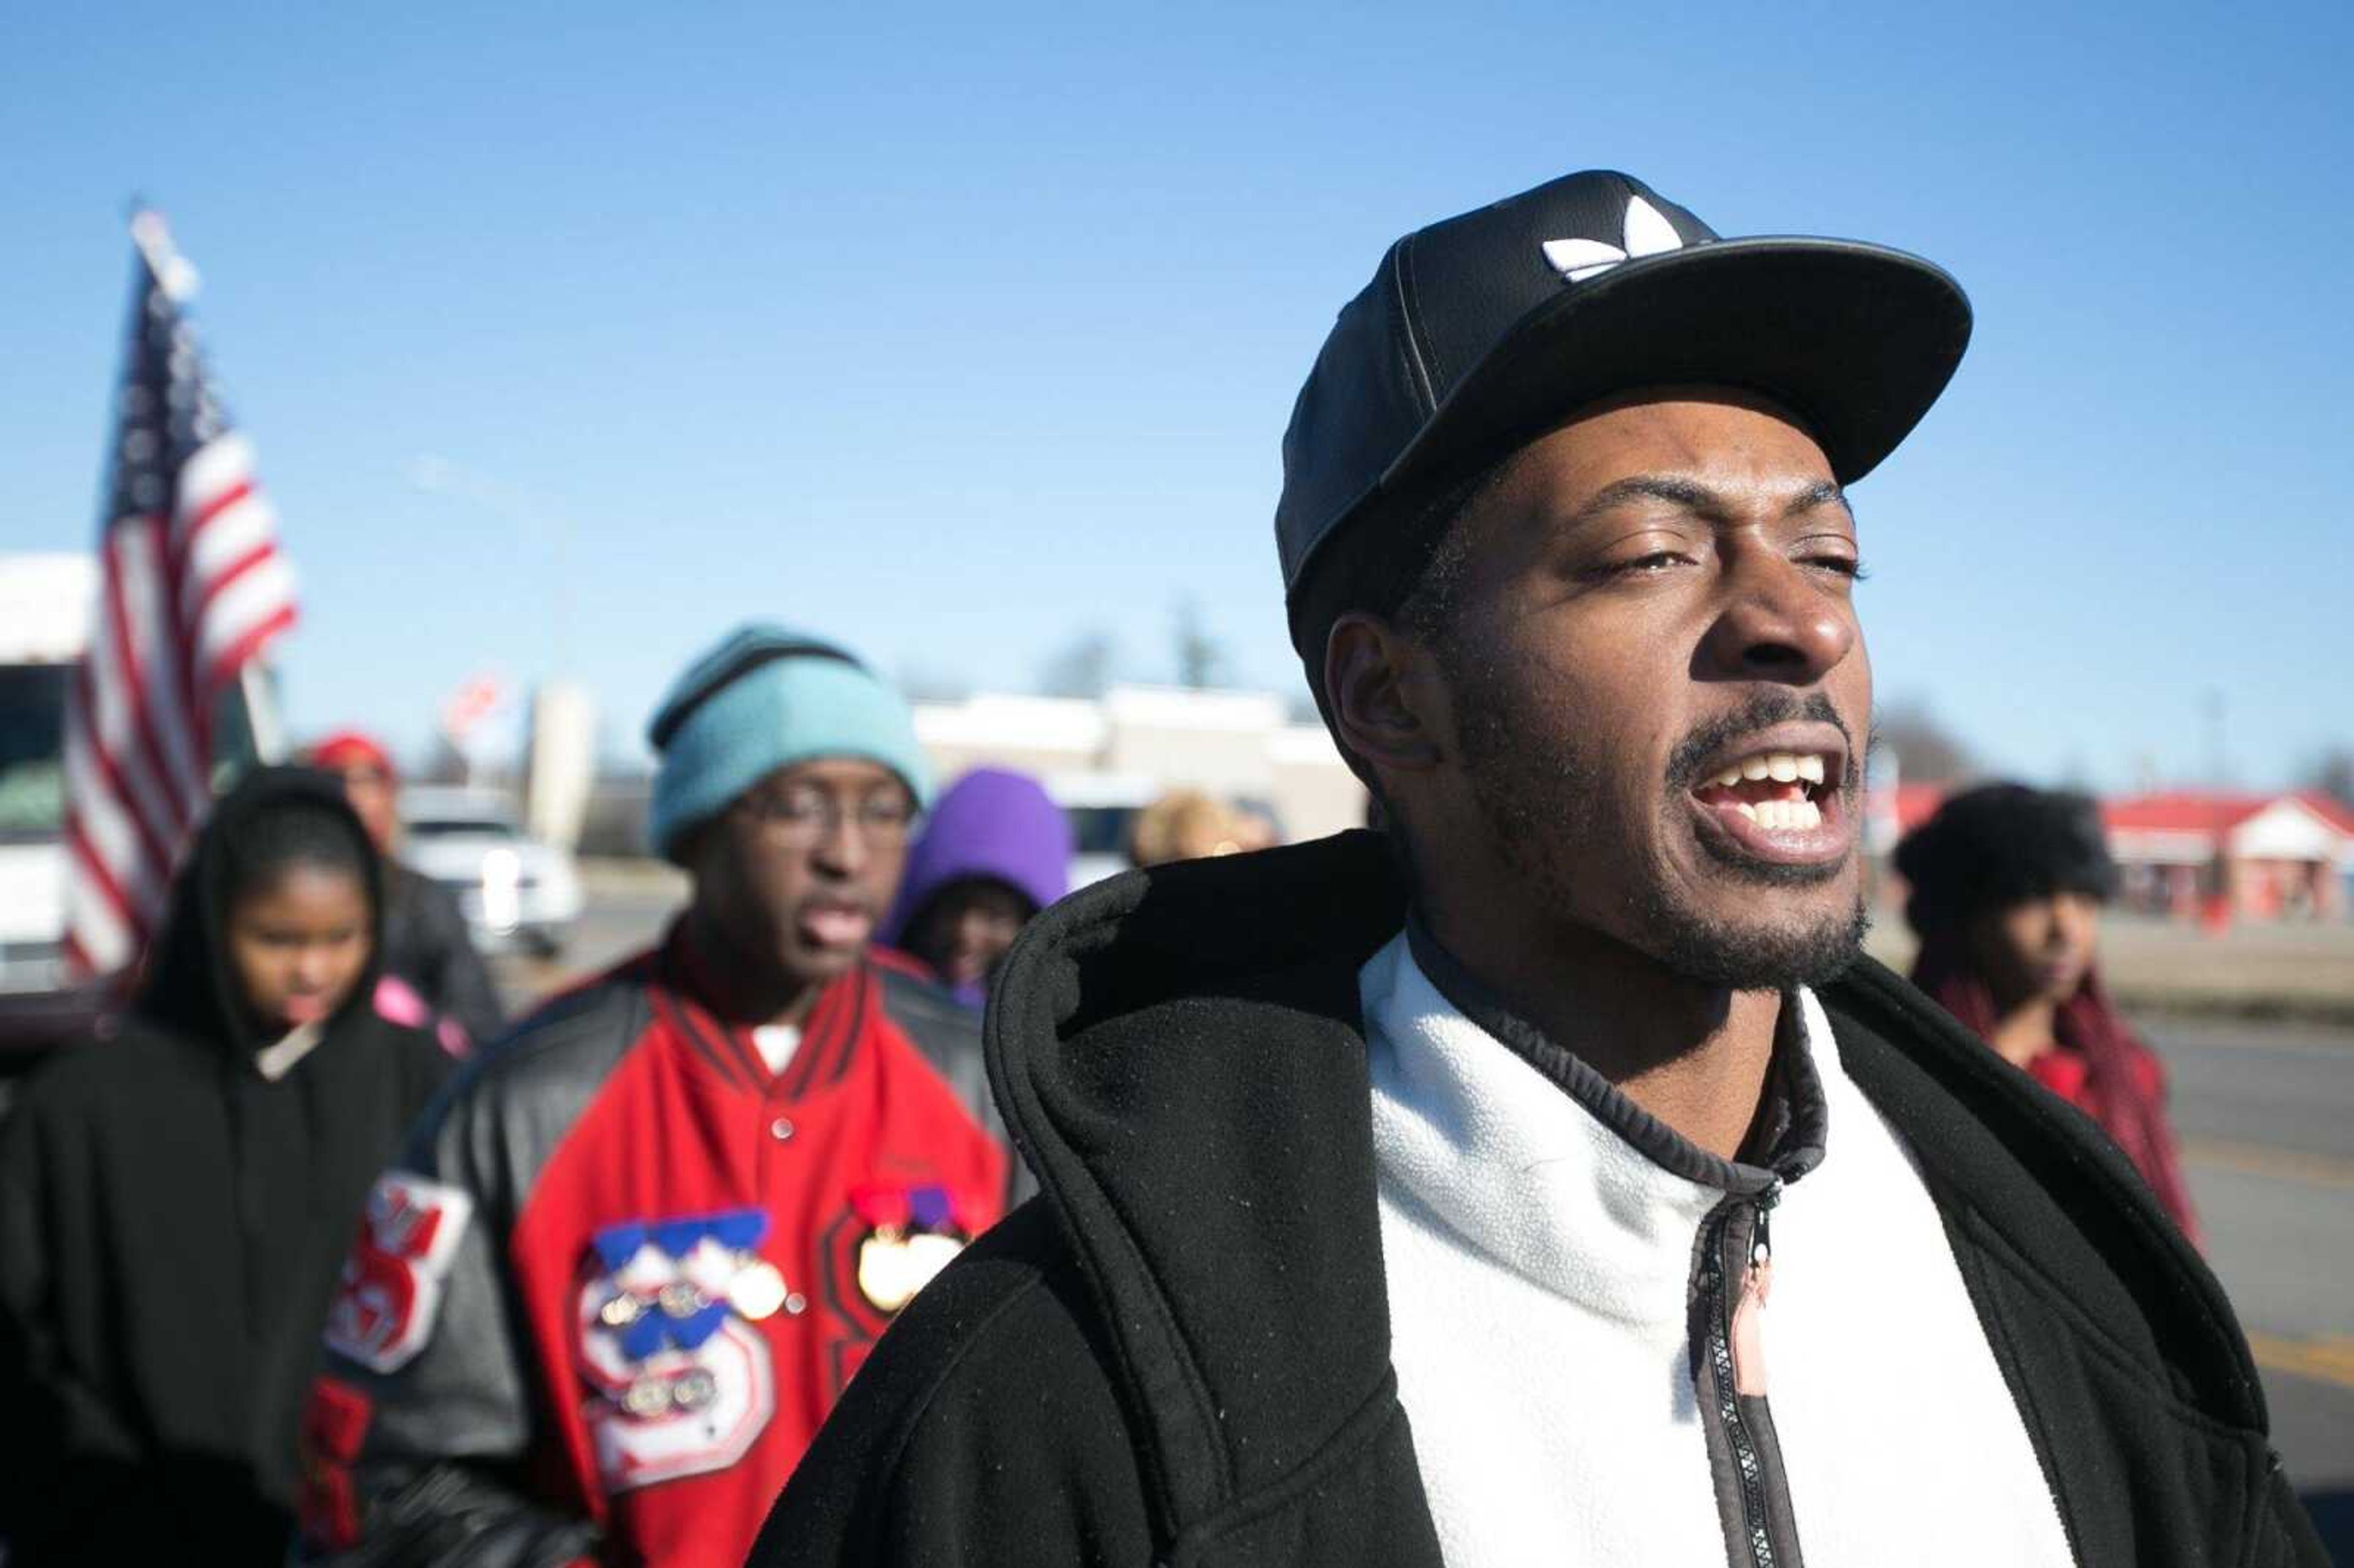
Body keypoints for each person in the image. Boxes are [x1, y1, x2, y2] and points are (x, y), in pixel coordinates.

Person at [756, 171, 2321, 1566]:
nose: (1805, 622)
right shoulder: (1049, 1413)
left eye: (1827, 551)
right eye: (1653, 553)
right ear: (1386, 698)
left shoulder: (2070, 1275)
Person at [297, 625, 1009, 1568]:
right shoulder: (525, 1100)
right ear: (699, 829)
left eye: (883, 809)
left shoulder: (986, 1081)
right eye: (797, 804)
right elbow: (380, 1479)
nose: (847, 852)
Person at [0, 769, 452, 1565]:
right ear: (215, 925)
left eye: (341, 937)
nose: (313, 969)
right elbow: (21, 1335)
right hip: (124, 1530)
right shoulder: (82, 1103)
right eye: (278, 938)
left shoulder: (418, 1082)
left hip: (354, 1530)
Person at [1896, 782, 2200, 1240]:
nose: (2066, 927)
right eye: (2033, 899)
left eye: (2083, 899)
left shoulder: (2127, 1073)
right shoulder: (1903, 1076)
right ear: (1965, 919)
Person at [307, 729, 505, 1052]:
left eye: (369, 780)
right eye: (338, 778)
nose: (355, 795)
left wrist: (419, 1029)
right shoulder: (282, 897)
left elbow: (477, 1017)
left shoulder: (422, 898)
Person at [879, 766, 1071, 1003]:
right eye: (953, 908)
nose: (966, 934)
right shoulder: (872, 1006)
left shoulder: (1062, 1031)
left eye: (995, 918)